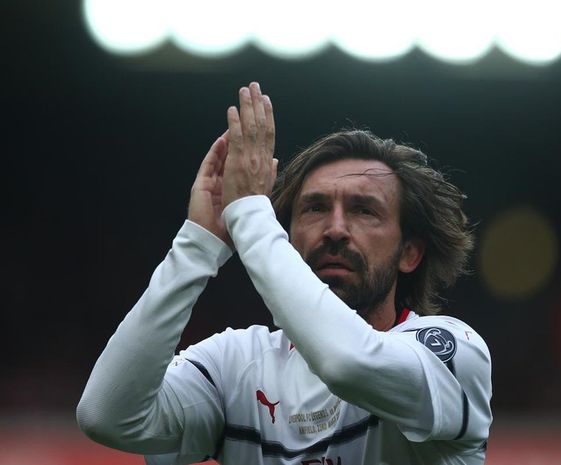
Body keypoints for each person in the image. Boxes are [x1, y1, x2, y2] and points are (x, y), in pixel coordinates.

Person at [77, 82, 492, 465]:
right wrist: (198, 244)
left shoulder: (452, 353)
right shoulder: (235, 365)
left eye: (364, 210)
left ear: (410, 253)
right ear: (287, 237)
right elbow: (108, 416)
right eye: (313, 208)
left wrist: (250, 215)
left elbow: (346, 364)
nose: (335, 229)